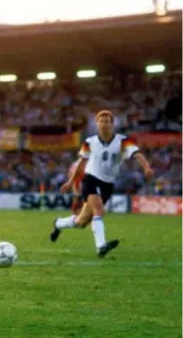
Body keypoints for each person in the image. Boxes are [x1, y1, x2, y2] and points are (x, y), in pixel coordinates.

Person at [51, 110, 154, 257]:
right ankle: (101, 246)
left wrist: (147, 168)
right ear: (97, 124)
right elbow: (81, 162)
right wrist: (70, 182)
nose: (104, 124)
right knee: (98, 210)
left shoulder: (123, 141)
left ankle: (58, 223)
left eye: (107, 121)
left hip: (107, 184)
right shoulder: (90, 142)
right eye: (101, 121)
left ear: (112, 124)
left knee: (81, 221)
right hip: (91, 179)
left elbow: (137, 154)